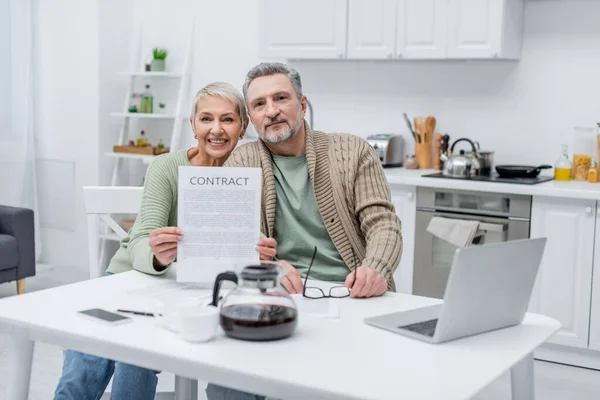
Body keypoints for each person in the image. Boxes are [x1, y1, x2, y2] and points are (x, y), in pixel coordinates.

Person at [53, 82, 277, 400]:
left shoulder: (251, 174)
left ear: (242, 128)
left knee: (136, 358)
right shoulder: (166, 166)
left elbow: (247, 237)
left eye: (227, 119)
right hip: (131, 279)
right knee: (84, 361)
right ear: (192, 124)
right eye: (206, 119)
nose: (216, 129)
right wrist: (158, 256)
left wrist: (260, 251)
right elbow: (141, 239)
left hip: (201, 292)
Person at [206, 63, 403, 399]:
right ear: (250, 118)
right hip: (279, 298)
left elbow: (383, 222)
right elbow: (238, 242)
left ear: (302, 103)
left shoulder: (353, 151)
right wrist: (266, 268)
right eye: (259, 104)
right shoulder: (240, 162)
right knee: (228, 385)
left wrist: (377, 268)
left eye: (281, 98)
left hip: (351, 297)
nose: (271, 111)